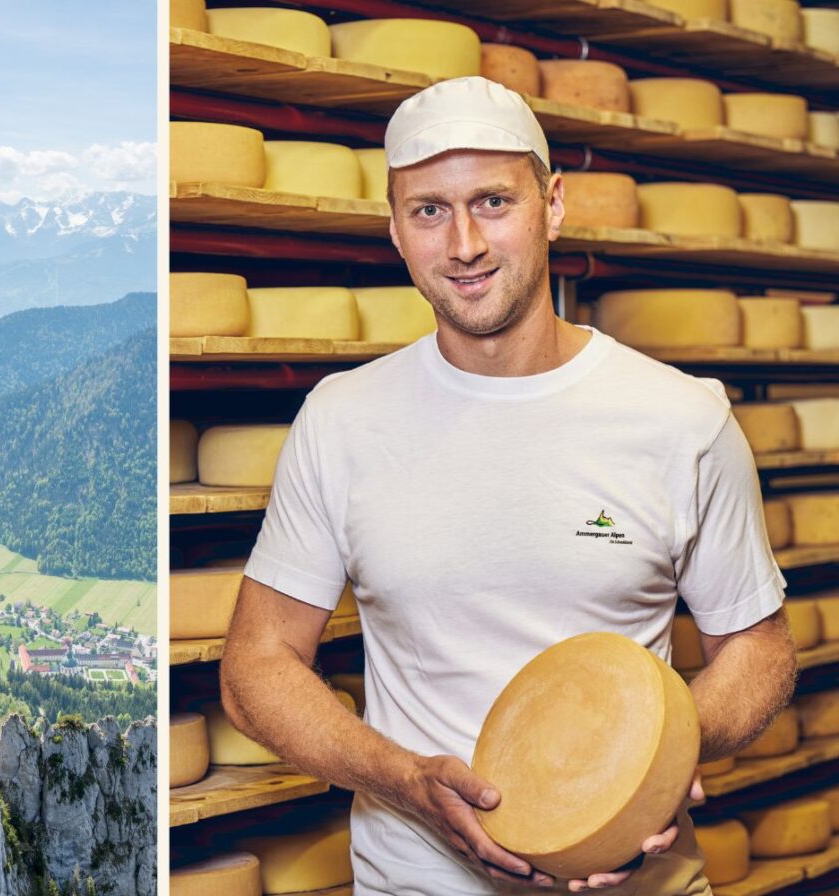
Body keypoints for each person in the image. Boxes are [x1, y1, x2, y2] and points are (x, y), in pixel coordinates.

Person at [218, 76, 797, 894]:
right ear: (393, 228)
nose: (463, 245)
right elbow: (257, 666)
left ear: (552, 205)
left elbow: (759, 649)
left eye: (493, 202)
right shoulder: (342, 421)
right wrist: (403, 779)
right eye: (428, 211)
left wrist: (644, 762)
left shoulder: (680, 418)